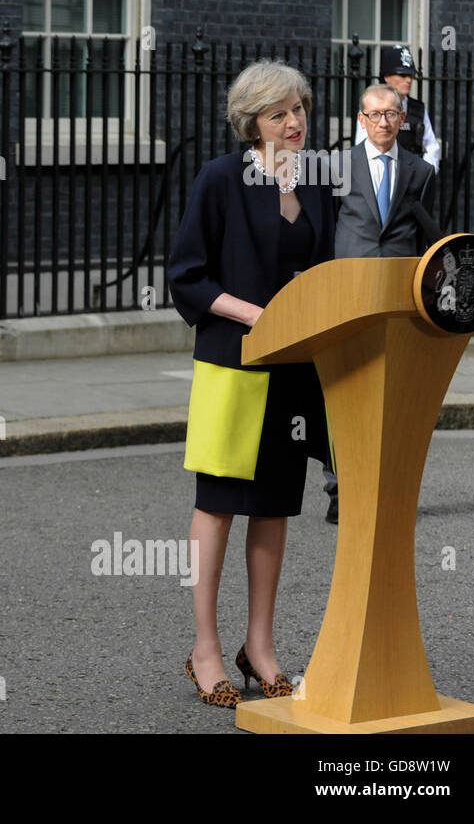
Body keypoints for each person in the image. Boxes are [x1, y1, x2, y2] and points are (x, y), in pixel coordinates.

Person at [167, 60, 336, 708]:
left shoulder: (316, 179)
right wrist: (255, 315)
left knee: (273, 506)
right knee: (217, 504)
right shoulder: (219, 179)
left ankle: (258, 644)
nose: (293, 123)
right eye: (277, 114)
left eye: (298, 109)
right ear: (250, 123)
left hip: (293, 369)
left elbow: (321, 268)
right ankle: (205, 648)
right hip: (232, 365)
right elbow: (187, 274)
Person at [321, 83, 440, 523]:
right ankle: (339, 489)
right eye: (374, 115)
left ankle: (388, 489)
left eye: (391, 114)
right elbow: (325, 229)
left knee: (392, 396)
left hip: (396, 298)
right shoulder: (339, 167)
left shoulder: (420, 171)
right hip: (349, 296)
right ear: (360, 120)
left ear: (403, 118)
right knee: (344, 392)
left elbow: (428, 233)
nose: (383, 122)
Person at [353, 45, 440, 171]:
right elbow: (362, 147)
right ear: (387, 77)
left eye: (410, 76)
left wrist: (423, 175)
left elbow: (432, 148)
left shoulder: (418, 109)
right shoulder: (370, 107)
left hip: (412, 178)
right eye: (403, 75)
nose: (409, 80)